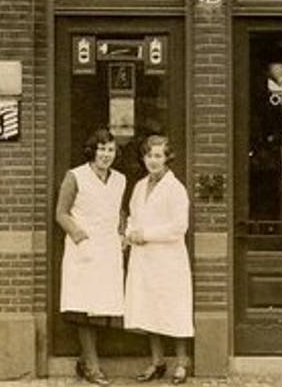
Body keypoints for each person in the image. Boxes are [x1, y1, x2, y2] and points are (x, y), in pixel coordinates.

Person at [56, 128, 126, 386]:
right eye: (102, 149)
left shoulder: (119, 179)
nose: (106, 155)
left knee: (102, 306)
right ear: (92, 151)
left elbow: (118, 210)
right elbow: (61, 213)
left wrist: (122, 232)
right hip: (82, 249)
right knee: (83, 306)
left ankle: (86, 360)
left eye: (110, 150)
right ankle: (93, 365)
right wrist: (79, 235)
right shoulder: (75, 176)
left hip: (108, 249)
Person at [124, 135, 194, 384]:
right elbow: (133, 215)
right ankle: (157, 361)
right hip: (144, 258)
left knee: (173, 308)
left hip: (168, 259)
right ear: (143, 158)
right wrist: (131, 232)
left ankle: (182, 361)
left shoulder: (176, 189)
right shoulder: (140, 186)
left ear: (167, 158)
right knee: (149, 308)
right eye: (149, 155)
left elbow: (179, 227)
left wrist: (147, 235)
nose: (153, 161)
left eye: (158, 156)